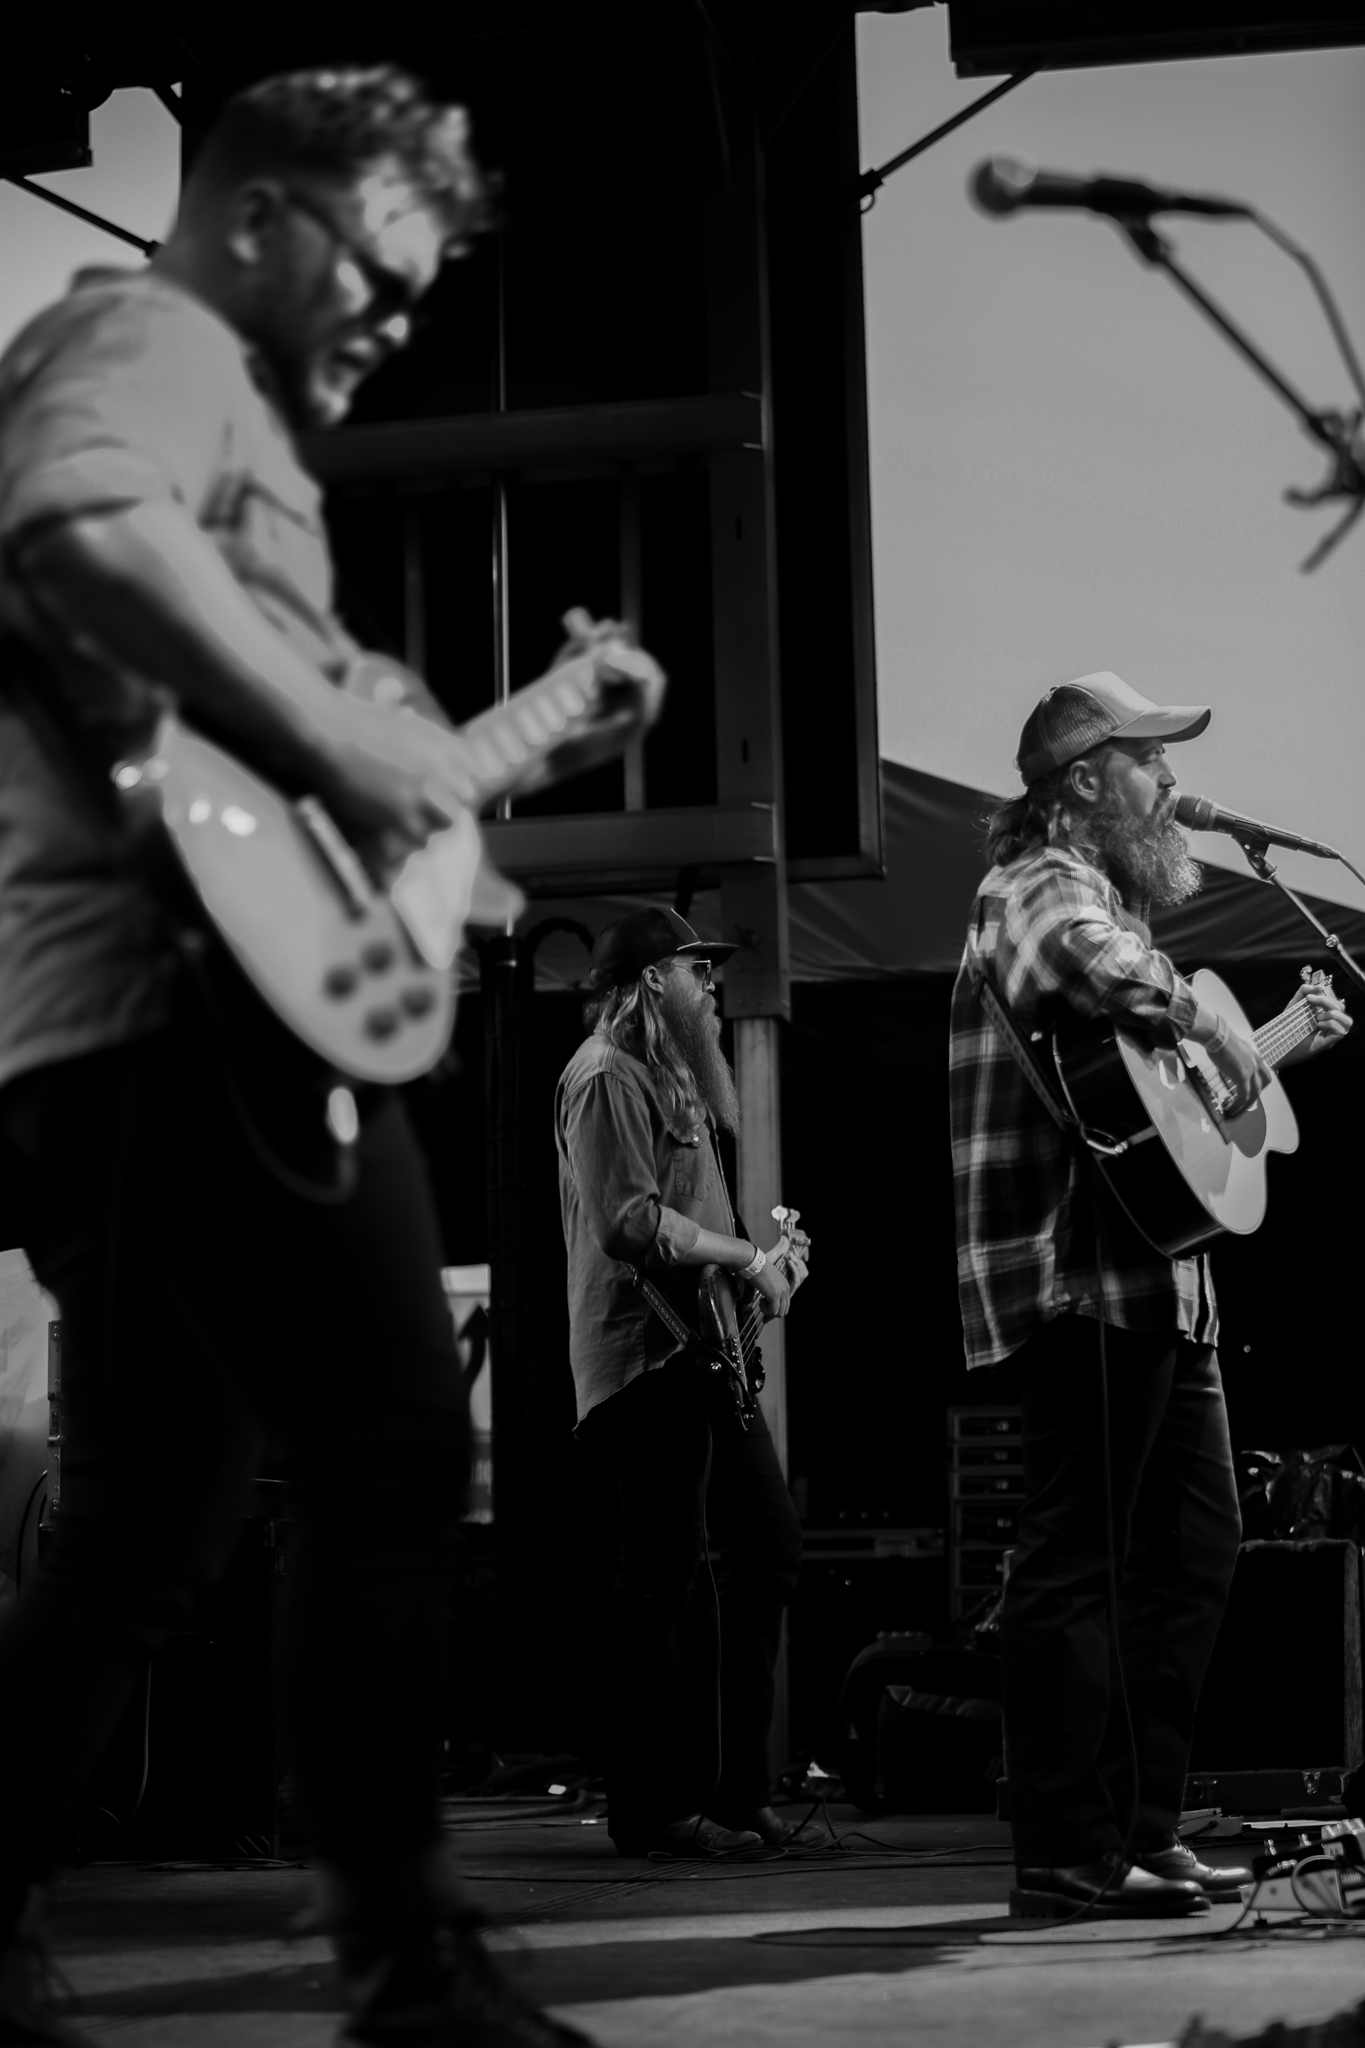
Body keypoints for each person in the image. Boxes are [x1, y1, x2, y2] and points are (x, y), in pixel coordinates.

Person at [0, 65, 659, 2048]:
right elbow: (77, 531)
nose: (393, 316)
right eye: (379, 268)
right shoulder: (154, 338)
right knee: (383, 1453)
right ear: (267, 212)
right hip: (178, 1004)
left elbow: (354, 798)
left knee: (137, 1543)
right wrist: (355, 742)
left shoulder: (237, 436)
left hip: (114, 1021)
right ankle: (404, 1965)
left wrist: (515, 737)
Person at [949, 672, 1351, 1920]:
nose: (1173, 785)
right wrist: (1215, 1024)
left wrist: (1267, 1046)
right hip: (1080, 1274)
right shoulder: (1036, 885)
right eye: (1148, 761)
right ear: (1083, 782)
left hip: (1163, 1280)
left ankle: (1141, 1827)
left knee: (1198, 1546)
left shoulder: (1112, 899)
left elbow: (1168, 1118)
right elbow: (1094, 966)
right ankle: (1062, 1853)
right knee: (1079, 1559)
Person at [555, 908, 809, 1858]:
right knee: (661, 1577)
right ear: (651, 980)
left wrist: (764, 1282)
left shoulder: (672, 1080)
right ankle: (653, 1810)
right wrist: (748, 1254)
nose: (712, 986)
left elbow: (699, 1247)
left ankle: (737, 1795)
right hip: (642, 1360)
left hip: (699, 1354)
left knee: (767, 1547)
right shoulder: (605, 1075)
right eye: (698, 970)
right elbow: (629, 1223)